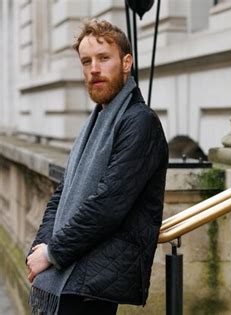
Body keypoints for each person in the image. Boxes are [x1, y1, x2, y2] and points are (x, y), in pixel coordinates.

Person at [25, 19, 168, 315]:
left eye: (104, 58)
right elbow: (61, 195)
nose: (94, 69)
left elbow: (108, 203)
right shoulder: (95, 123)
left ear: (126, 62)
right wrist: (39, 249)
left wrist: (53, 252)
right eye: (86, 61)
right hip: (75, 267)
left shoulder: (140, 122)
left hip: (95, 276)